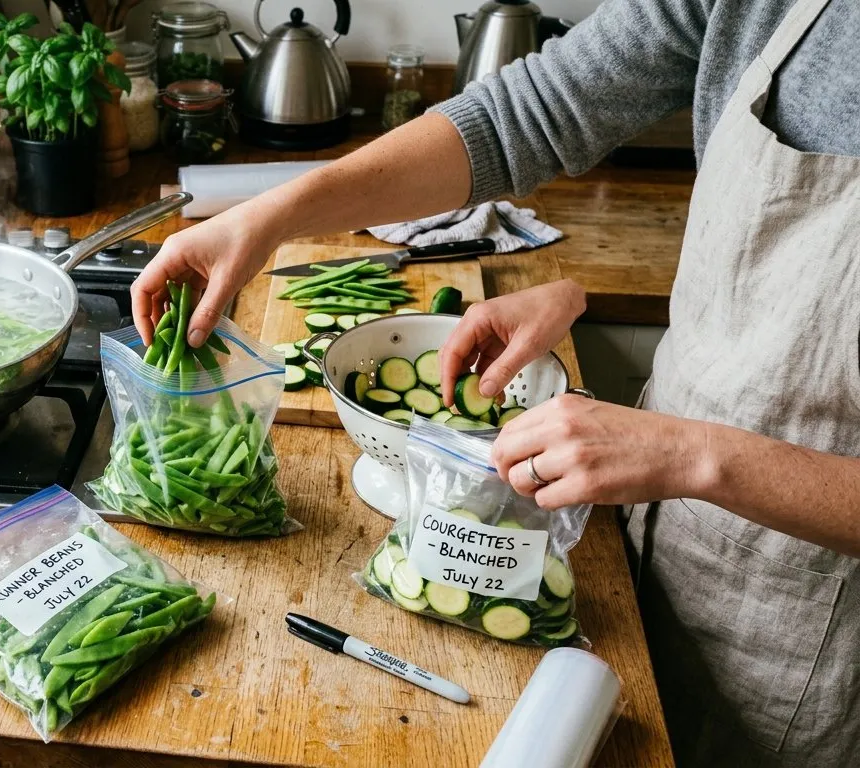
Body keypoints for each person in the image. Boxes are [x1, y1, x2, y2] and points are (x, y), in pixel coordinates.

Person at [131, 0, 859, 764]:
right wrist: (271, 216)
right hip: (657, 519)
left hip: (813, 609)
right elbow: (532, 112)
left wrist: (697, 456)